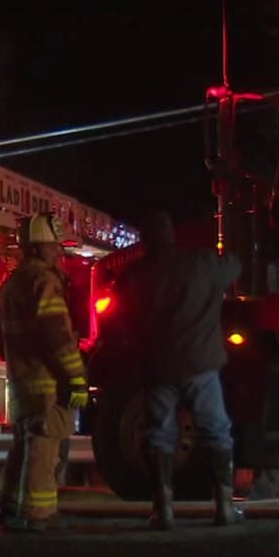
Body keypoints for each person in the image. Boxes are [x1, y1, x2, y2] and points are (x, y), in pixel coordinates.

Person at [113, 210, 243, 531]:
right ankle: (225, 507)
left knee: (159, 434)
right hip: (201, 364)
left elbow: (121, 317)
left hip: (158, 368)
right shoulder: (201, 262)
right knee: (216, 430)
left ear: (144, 241)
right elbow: (236, 265)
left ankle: (163, 510)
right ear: (172, 234)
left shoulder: (134, 275)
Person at [0, 213, 89, 533]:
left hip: (20, 382)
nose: (58, 252)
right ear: (37, 248)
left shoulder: (10, 286)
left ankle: (9, 508)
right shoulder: (44, 282)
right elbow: (58, 336)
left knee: (22, 446)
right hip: (47, 383)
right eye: (52, 246)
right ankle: (39, 514)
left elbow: (0, 342)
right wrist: (76, 377)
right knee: (45, 447)